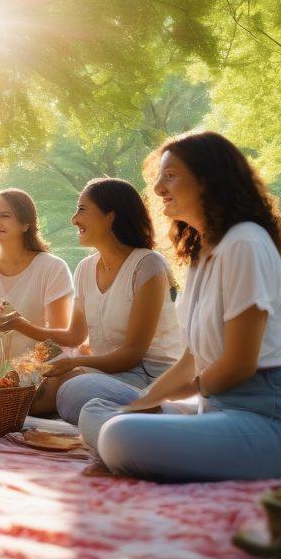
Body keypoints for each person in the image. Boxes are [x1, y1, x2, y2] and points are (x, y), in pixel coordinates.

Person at [77, 131, 281, 483]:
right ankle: (131, 444)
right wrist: (142, 402)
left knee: (120, 434)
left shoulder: (245, 242)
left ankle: (123, 446)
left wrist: (148, 407)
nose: (158, 188)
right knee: (95, 409)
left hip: (274, 422)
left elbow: (239, 364)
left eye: (170, 176)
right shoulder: (201, 256)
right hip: (216, 410)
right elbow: (191, 359)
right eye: (159, 177)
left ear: (208, 180)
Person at [27, 178, 182, 421]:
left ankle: (149, 417)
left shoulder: (148, 265)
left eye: (82, 209)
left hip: (149, 380)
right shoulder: (85, 268)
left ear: (110, 216)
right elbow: (75, 335)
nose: (74, 219)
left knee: (73, 388)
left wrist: (76, 363)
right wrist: (21, 326)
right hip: (105, 373)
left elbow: (132, 354)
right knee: (38, 385)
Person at [0, 188, 73, 363]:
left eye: (5, 216)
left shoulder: (53, 268)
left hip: (38, 369)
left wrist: (28, 370)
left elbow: (60, 337)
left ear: (26, 224)